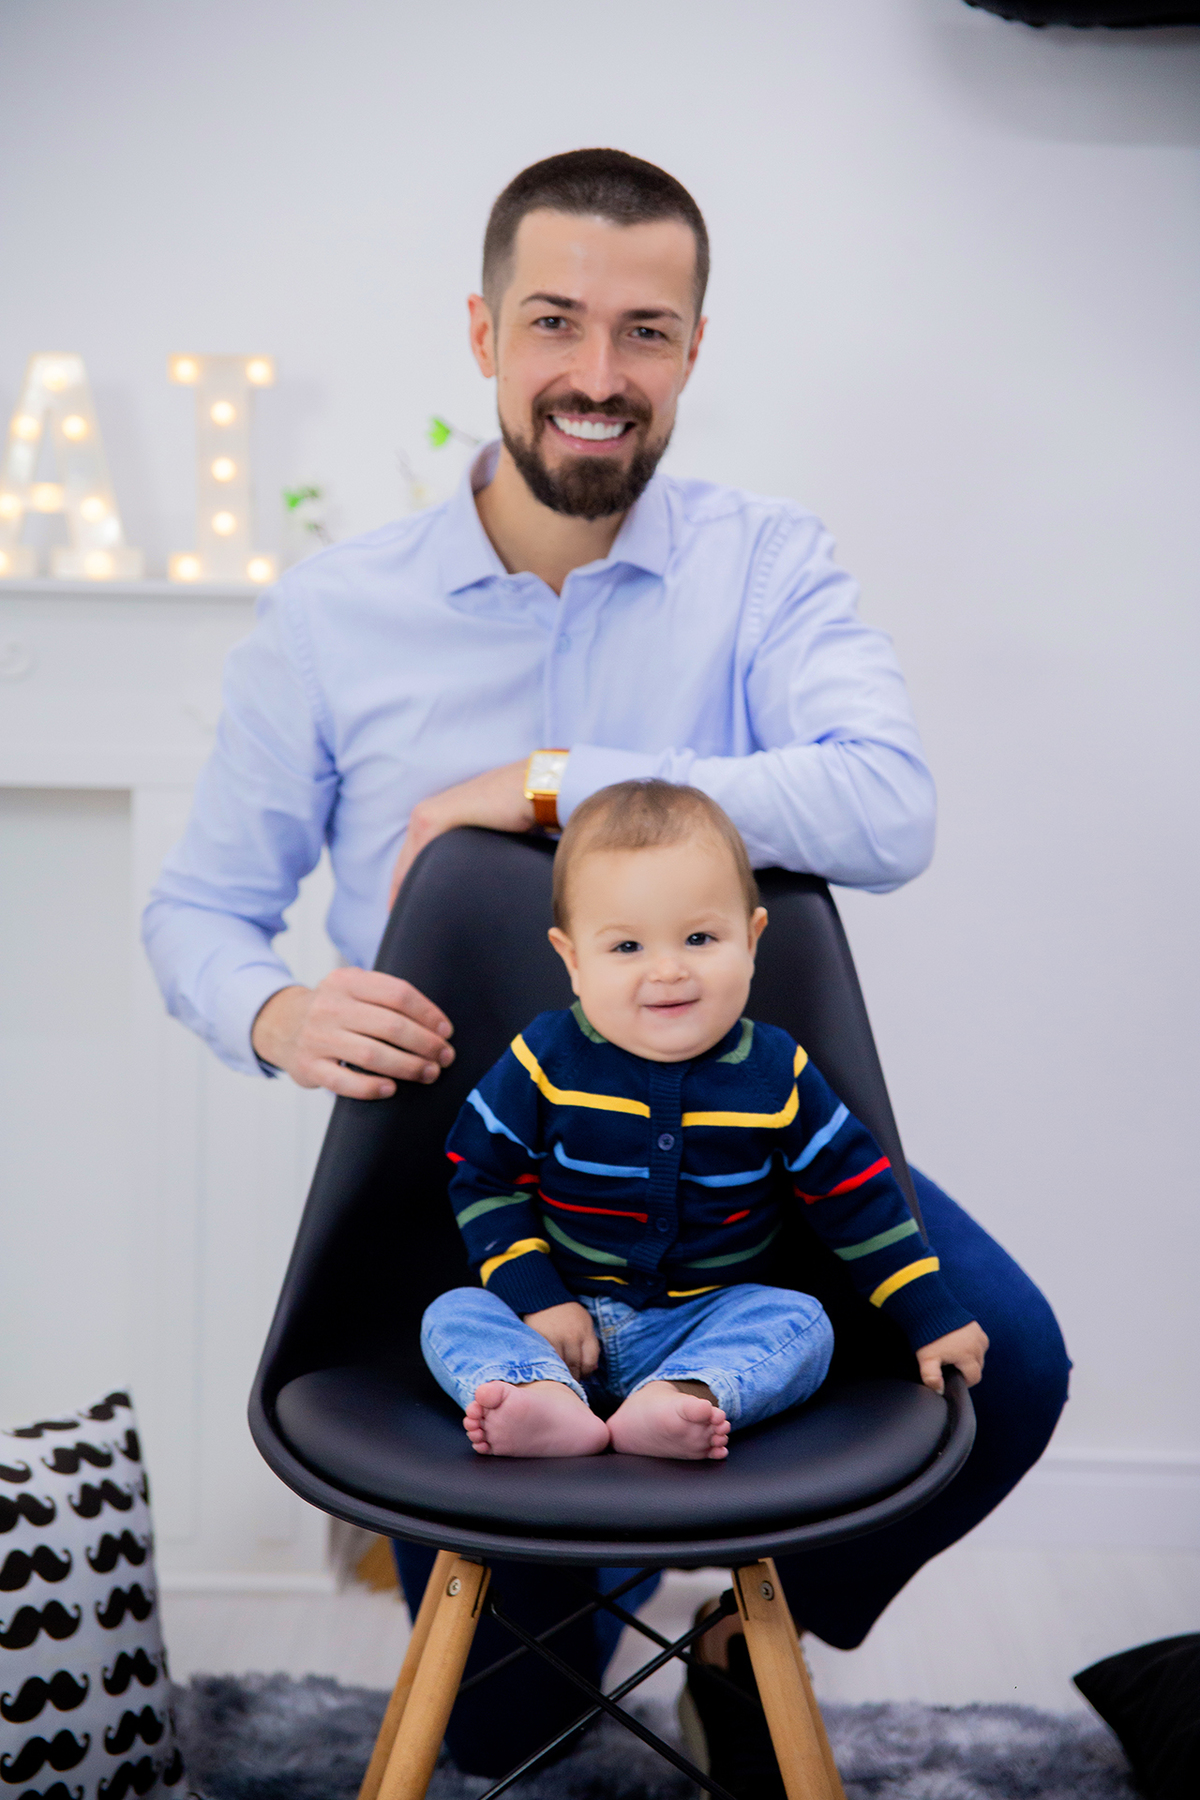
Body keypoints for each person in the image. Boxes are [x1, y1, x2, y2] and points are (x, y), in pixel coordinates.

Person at [142, 148, 1069, 1794]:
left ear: (695, 347)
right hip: (471, 1190)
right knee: (518, 1730)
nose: (597, 372)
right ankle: (611, 1532)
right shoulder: (334, 615)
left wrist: (556, 780)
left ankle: (730, 1640)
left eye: (645, 330)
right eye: (556, 322)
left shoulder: (764, 565)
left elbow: (890, 805)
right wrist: (276, 1010)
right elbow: (200, 913)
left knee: (1010, 1366)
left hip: (748, 1169)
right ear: (483, 332)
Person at [423, 779, 987, 1466]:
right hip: (556, 1321)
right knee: (453, 1313)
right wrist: (537, 1298)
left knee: (801, 1322)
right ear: (572, 959)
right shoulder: (543, 1060)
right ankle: (537, 1395)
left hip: (705, 1322)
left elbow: (857, 1199)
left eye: (699, 937)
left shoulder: (776, 1072)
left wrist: (931, 1314)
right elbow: (484, 1180)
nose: (667, 970)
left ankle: (683, 1396)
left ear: (751, 939)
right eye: (626, 947)